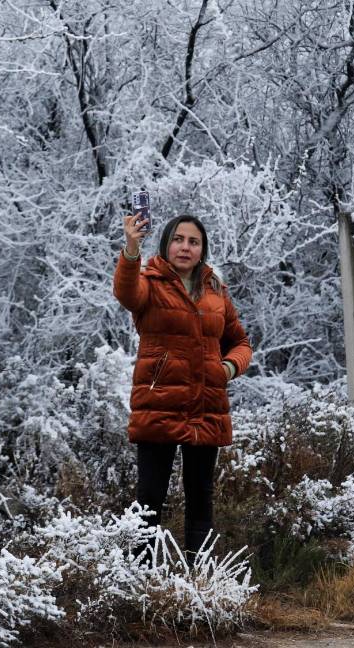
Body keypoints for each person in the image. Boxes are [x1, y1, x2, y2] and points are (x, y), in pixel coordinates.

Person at [113, 212, 252, 560]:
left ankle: (199, 582)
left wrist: (227, 369)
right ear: (166, 244)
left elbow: (241, 343)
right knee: (149, 501)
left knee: (201, 499)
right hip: (158, 403)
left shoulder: (216, 290)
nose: (185, 247)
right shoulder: (150, 281)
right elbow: (126, 294)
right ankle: (140, 584)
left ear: (202, 249)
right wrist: (132, 247)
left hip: (206, 406)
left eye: (193, 241)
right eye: (178, 239)